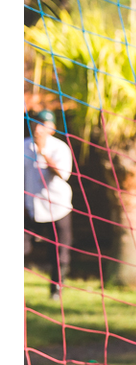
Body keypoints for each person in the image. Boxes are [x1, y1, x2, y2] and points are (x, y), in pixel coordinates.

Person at [23, 110, 74, 299]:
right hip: (29, 208)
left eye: (44, 124)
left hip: (57, 209)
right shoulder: (23, 146)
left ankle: (56, 291)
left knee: (59, 253)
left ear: (52, 128)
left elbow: (63, 174)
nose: (39, 128)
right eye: (37, 123)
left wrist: (42, 151)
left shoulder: (60, 148)